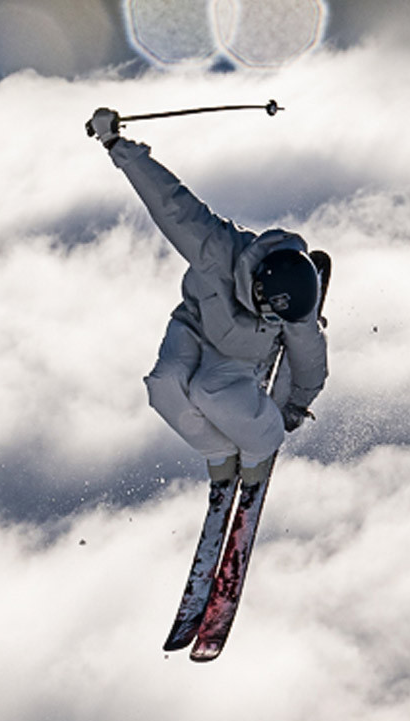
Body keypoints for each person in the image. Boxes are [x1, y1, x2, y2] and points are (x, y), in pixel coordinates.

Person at [87, 107, 327, 487]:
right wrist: (115, 143)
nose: (275, 324)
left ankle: (259, 446)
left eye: (283, 322)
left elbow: (310, 355)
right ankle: (219, 454)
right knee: (165, 385)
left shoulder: (295, 308)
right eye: (272, 315)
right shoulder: (217, 250)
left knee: (209, 391)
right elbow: (171, 205)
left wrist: (297, 403)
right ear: (259, 285)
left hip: (238, 355)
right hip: (196, 324)